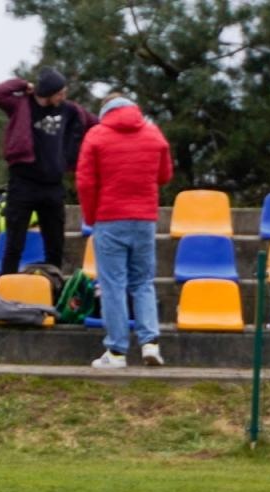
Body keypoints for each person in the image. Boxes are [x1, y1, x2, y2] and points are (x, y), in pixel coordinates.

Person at [76, 95, 174, 368]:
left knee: (113, 286)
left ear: (105, 112)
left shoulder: (96, 136)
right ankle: (150, 343)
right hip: (144, 220)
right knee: (143, 282)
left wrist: (91, 216)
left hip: (109, 219)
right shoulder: (153, 134)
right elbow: (165, 175)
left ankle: (117, 352)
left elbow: (85, 182)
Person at [0, 68, 97, 275]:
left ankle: (52, 291)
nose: (63, 97)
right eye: (59, 93)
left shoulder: (70, 110)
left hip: (53, 186)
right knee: (14, 245)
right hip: (23, 185)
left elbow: (97, 125)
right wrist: (22, 85)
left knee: (55, 246)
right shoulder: (21, 105)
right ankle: (3, 295)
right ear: (47, 92)